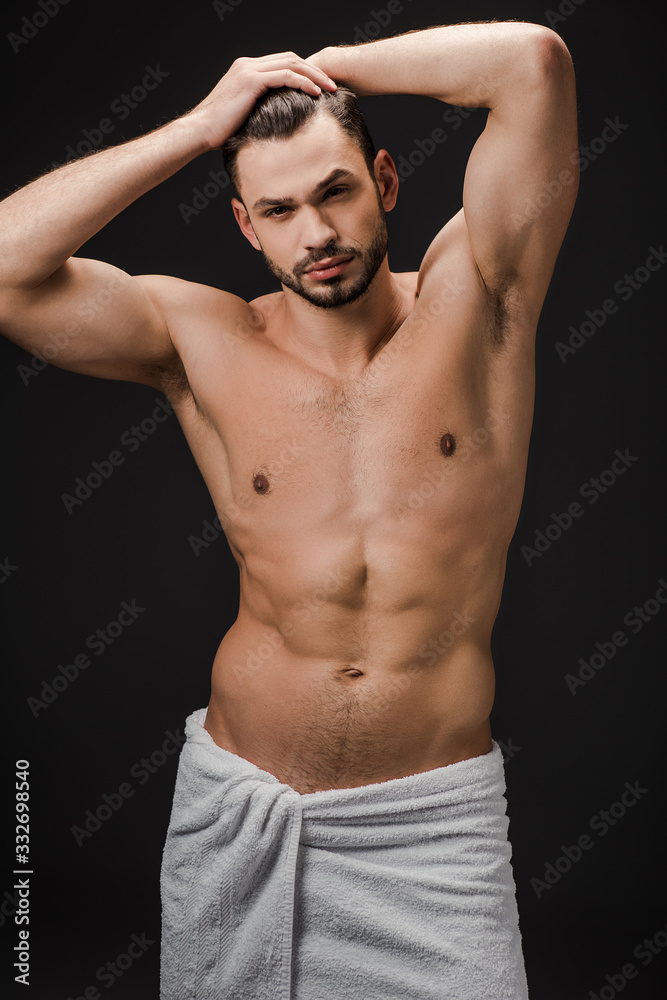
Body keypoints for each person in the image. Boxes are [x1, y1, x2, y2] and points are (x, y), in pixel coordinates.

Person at [0, 19, 578, 999]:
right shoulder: (201, 339)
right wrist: (198, 124)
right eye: (279, 209)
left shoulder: (478, 293)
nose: (314, 233)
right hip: (241, 809)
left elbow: (530, 63)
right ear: (245, 226)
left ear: (385, 182)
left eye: (335, 191)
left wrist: (320, 74)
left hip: (427, 835)